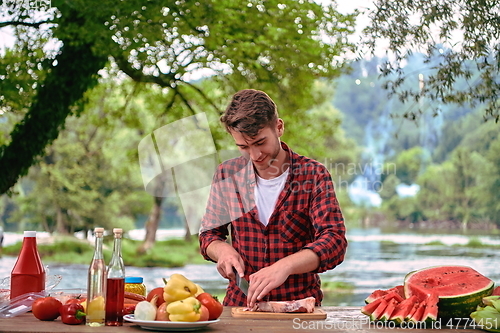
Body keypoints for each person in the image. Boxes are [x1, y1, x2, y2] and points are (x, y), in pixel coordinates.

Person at [199, 89, 347, 308]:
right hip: (239, 306)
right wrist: (223, 251)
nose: (255, 155)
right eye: (243, 147)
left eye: (260, 142)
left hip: (298, 309)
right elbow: (209, 235)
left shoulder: (314, 174)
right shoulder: (226, 175)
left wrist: (285, 266)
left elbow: (334, 241)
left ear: (279, 127)